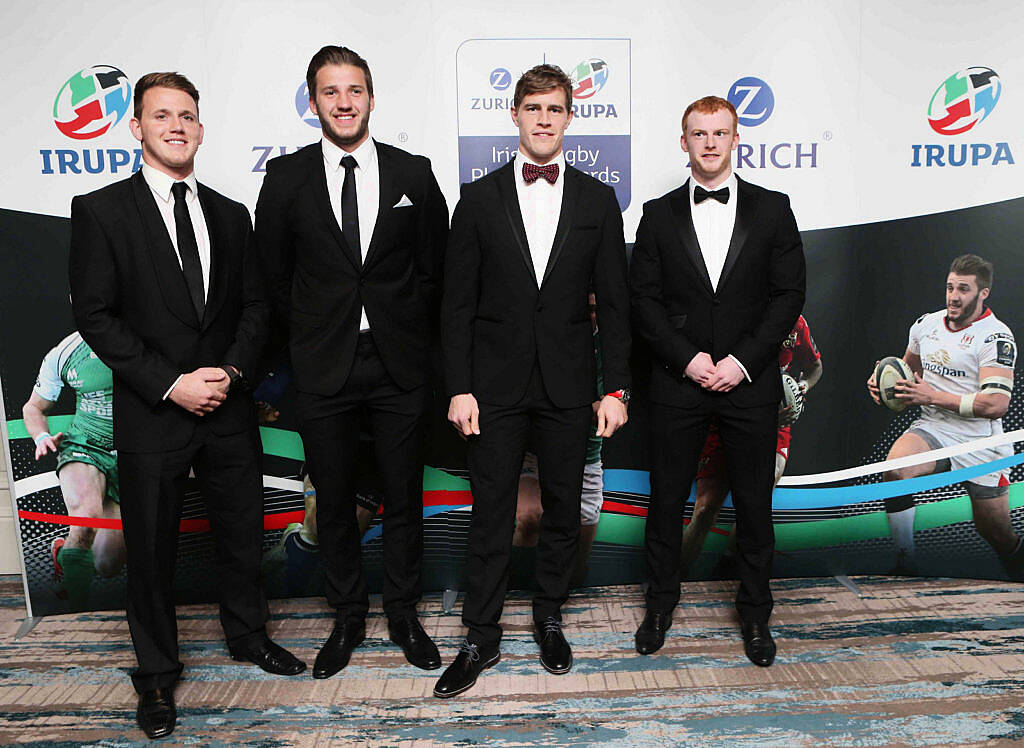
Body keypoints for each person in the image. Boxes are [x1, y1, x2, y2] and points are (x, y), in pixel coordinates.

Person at [69, 72, 304, 740]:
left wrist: (229, 372)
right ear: (137, 127)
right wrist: (171, 383)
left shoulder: (232, 214)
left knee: (241, 535)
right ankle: (157, 673)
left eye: (188, 115)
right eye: (162, 115)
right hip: (155, 411)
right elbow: (96, 314)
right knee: (149, 552)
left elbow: (258, 308)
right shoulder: (101, 210)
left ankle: (248, 636)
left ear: (201, 128)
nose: (177, 125)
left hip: (227, 407)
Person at [436, 64, 631, 698]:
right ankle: (480, 635)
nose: (544, 118)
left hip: (570, 385)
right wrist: (459, 386)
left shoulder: (600, 201)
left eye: (555, 108)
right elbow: (456, 304)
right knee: (489, 515)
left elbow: (617, 304)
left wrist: (616, 388)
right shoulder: (477, 197)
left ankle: (549, 616)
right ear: (515, 116)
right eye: (533, 108)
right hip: (492, 386)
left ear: (569, 117)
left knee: (562, 513)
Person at [255, 45, 449, 679]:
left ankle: (403, 613)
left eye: (355, 90)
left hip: (399, 365)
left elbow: (435, 270)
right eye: (331, 92)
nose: (344, 102)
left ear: (371, 97)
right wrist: (312, 339)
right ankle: (347, 615)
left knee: (402, 495)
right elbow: (274, 280)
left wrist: (404, 330)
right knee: (333, 497)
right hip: (323, 365)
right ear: (314, 102)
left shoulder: (412, 174)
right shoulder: (284, 179)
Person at [629, 95, 805, 668]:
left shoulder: (773, 208)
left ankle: (755, 614)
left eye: (720, 132)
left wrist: (743, 362)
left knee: (755, 506)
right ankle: (659, 606)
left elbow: (788, 297)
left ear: (736, 140)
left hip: (749, 384)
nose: (709, 142)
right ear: (683, 142)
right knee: (664, 503)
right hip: (677, 384)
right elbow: (643, 302)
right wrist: (687, 360)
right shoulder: (655, 215)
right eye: (698, 133)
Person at [866, 254, 1021, 577]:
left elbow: (995, 404)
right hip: (934, 428)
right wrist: (885, 385)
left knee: (995, 531)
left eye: (964, 289)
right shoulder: (926, 326)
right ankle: (905, 562)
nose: (953, 296)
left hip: (981, 442)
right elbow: (908, 373)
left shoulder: (995, 337)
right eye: (950, 287)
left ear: (983, 294)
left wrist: (931, 396)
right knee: (895, 471)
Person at [680, 315, 822, 577]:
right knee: (705, 509)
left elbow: (815, 367)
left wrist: (801, 387)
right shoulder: (729, 312)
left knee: (755, 504)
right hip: (724, 414)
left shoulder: (795, 322)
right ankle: (676, 579)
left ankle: (727, 570)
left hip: (773, 422)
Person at [23, 330, 126, 611]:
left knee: (107, 564)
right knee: (87, 515)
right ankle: (75, 614)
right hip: (85, 445)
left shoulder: (149, 335)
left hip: (132, 452)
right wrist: (42, 437)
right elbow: (33, 407)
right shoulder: (65, 352)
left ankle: (63, 553)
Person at [514, 293, 606, 587]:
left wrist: (614, 401)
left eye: (596, 310)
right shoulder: (546, 330)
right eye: (586, 308)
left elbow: (620, 392)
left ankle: (566, 594)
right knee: (528, 519)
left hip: (585, 452)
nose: (592, 316)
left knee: (582, 536)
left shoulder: (607, 343)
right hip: (536, 449)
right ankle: (520, 589)